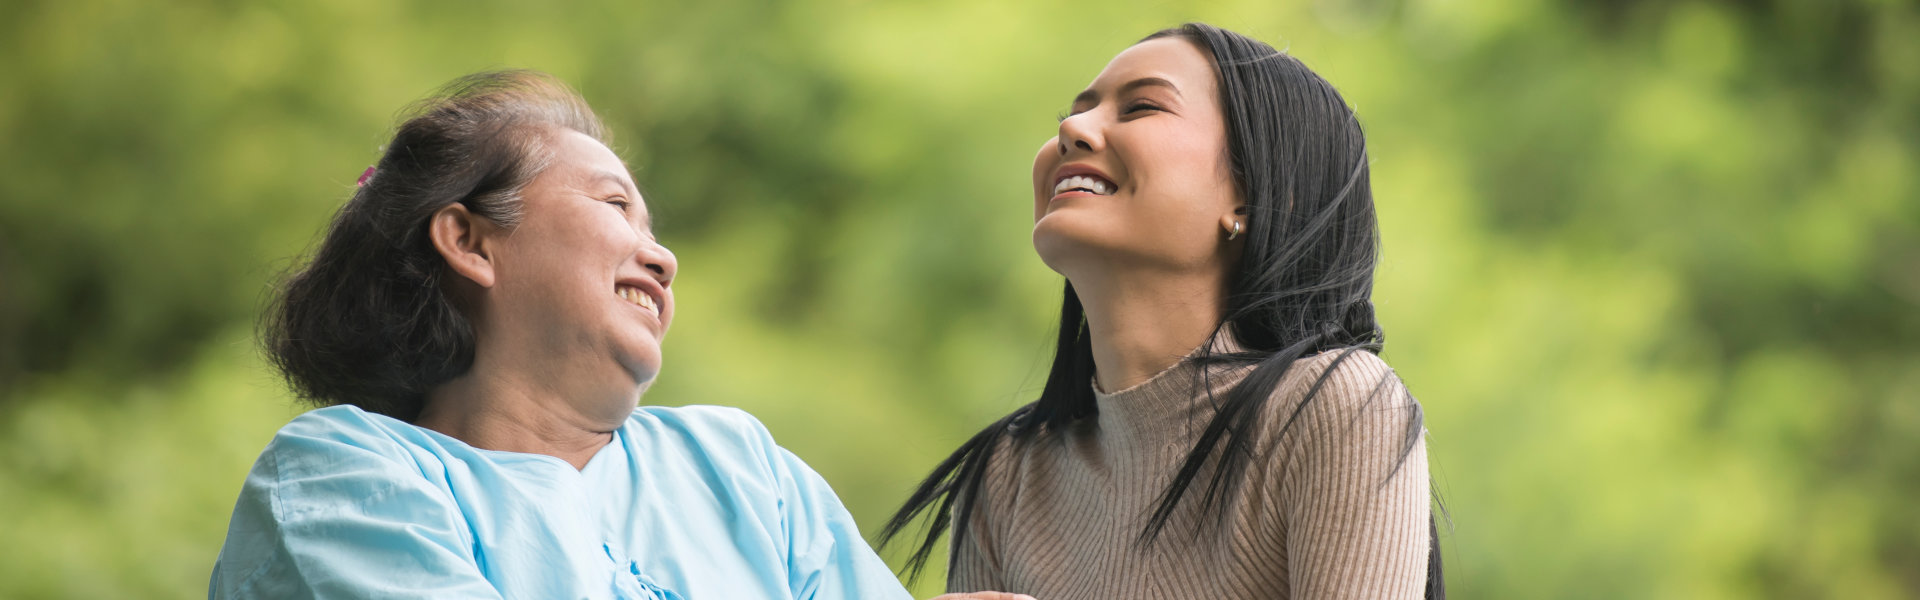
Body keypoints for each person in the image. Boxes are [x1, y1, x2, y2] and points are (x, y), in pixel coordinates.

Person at [209, 70, 1022, 600]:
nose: (661, 255)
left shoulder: (740, 466)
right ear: (470, 242)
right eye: (612, 206)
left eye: (654, 224)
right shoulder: (338, 476)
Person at [884, 23, 1444, 599]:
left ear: (1254, 195)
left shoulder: (1334, 408)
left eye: (1141, 107)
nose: (1071, 129)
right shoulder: (1007, 472)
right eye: (1072, 113)